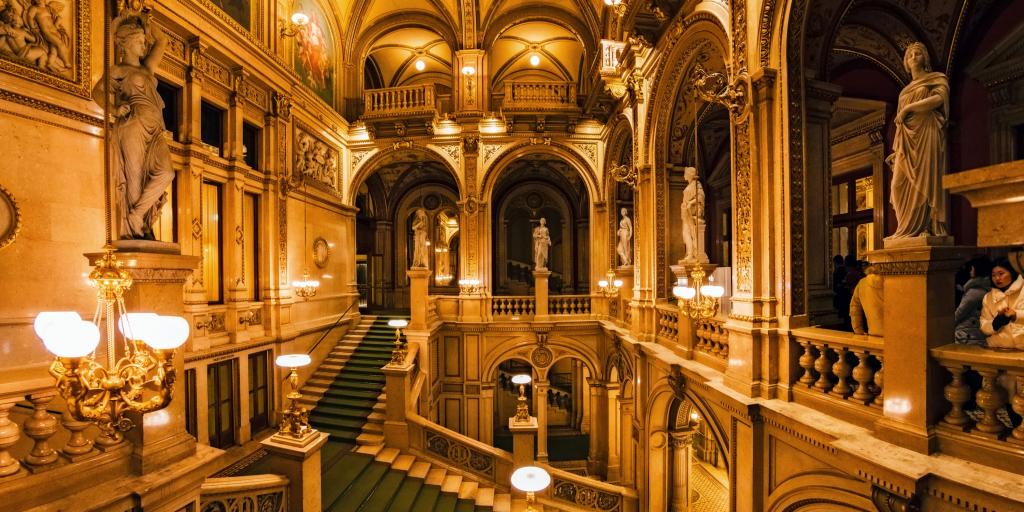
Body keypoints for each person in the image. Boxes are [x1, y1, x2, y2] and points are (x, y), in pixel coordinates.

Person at [93, 14, 172, 240]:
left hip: (155, 130)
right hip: (133, 126)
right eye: (139, 41)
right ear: (126, 43)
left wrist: (147, 21)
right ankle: (137, 231)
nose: (144, 44)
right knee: (135, 180)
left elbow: (162, 41)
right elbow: (96, 92)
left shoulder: (147, 69)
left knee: (166, 172)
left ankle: (136, 216)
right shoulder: (118, 70)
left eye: (143, 41)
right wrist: (114, 109)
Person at [887, 42, 949, 239]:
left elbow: (938, 100)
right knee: (897, 186)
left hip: (927, 134)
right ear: (906, 62)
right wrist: (896, 151)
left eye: (918, 53)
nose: (913, 56)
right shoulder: (903, 92)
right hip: (906, 140)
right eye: (909, 55)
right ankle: (904, 229)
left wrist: (908, 109)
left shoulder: (936, 79)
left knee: (925, 182)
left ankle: (925, 227)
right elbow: (899, 125)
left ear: (925, 58)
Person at [980, 258, 1024, 350]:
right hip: (997, 348)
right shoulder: (988, 297)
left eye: (1001, 273)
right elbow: (983, 325)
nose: (997, 278)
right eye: (993, 275)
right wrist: (995, 323)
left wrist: (1016, 315)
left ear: (1012, 272)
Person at [954, 256, 992, 345]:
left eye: (972, 268)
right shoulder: (986, 288)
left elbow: (959, 313)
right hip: (976, 333)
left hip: (967, 335)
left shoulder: (975, 292)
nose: (970, 271)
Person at [850, 264, 883, 336]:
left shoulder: (862, 283)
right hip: (897, 335)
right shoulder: (896, 283)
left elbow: (854, 309)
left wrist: (858, 330)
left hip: (873, 333)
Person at [832, 254, 850, 326]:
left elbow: (836, 284)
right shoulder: (846, 270)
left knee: (842, 314)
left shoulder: (837, 271)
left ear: (835, 262)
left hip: (840, 295)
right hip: (846, 295)